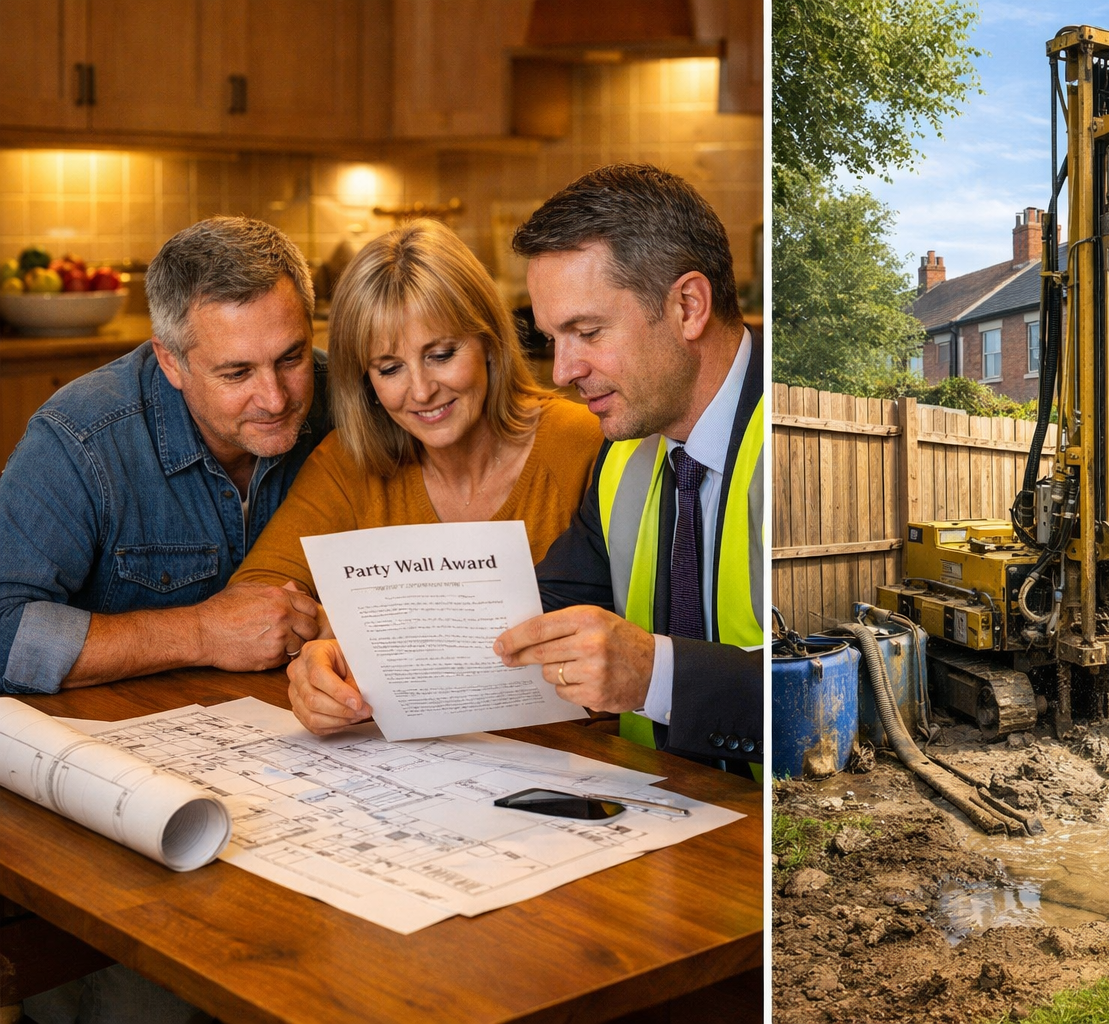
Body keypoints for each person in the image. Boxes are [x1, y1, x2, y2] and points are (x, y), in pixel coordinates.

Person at [287, 164, 763, 772]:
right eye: (551, 339)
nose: (562, 371)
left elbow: (823, 673)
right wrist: (362, 659)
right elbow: (530, 618)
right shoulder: (624, 453)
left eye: (587, 332)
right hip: (665, 807)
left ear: (688, 305)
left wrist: (653, 674)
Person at [256, 219, 604, 734]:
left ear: (488, 342)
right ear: (365, 381)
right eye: (390, 368)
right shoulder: (348, 463)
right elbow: (261, 601)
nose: (420, 392)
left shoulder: (587, 443)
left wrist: (360, 628)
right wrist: (316, 661)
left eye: (441, 355)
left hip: (577, 760)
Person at [0, 217, 327, 695]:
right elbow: (4, 628)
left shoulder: (352, 405)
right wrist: (202, 633)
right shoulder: (80, 439)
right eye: (237, 373)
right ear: (171, 361)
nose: (275, 399)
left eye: (291, 358)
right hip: (117, 737)